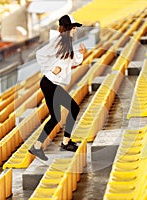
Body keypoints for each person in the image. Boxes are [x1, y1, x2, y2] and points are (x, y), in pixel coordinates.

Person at [29, 14, 87, 161]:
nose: (75, 30)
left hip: (50, 84)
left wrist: (81, 55)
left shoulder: (66, 42)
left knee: (56, 117)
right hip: (49, 83)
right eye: (73, 27)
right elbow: (39, 54)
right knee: (72, 108)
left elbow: (72, 62)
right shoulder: (58, 41)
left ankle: (37, 147)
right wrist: (50, 69)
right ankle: (65, 143)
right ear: (67, 28)